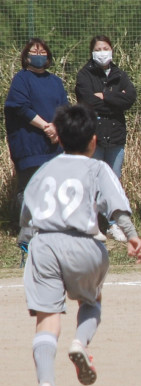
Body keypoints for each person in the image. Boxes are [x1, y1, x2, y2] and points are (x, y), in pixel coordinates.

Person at [20, 104, 141, 386]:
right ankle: (80, 342)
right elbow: (117, 210)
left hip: (44, 245)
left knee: (47, 319)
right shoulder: (98, 168)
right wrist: (131, 236)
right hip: (84, 245)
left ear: (59, 138)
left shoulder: (43, 171)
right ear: (93, 140)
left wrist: (26, 243)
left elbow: (26, 217)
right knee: (92, 301)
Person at [4, 38, 69, 248]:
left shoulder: (55, 81)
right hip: (29, 146)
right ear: (26, 56)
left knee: (54, 189)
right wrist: (46, 127)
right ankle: (29, 233)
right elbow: (19, 107)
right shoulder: (21, 79)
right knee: (29, 189)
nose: (38, 55)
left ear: (48, 57)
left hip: (54, 146)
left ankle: (52, 231)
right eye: (34, 52)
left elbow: (64, 108)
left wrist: (57, 128)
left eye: (42, 52)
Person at [75, 35, 137, 242]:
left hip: (116, 135)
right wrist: (113, 98)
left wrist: (104, 95)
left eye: (106, 48)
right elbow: (87, 101)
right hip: (94, 134)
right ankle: (91, 224)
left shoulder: (120, 74)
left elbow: (130, 99)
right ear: (92, 51)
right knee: (91, 181)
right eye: (99, 48)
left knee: (113, 180)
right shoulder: (84, 74)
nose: (103, 52)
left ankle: (113, 224)